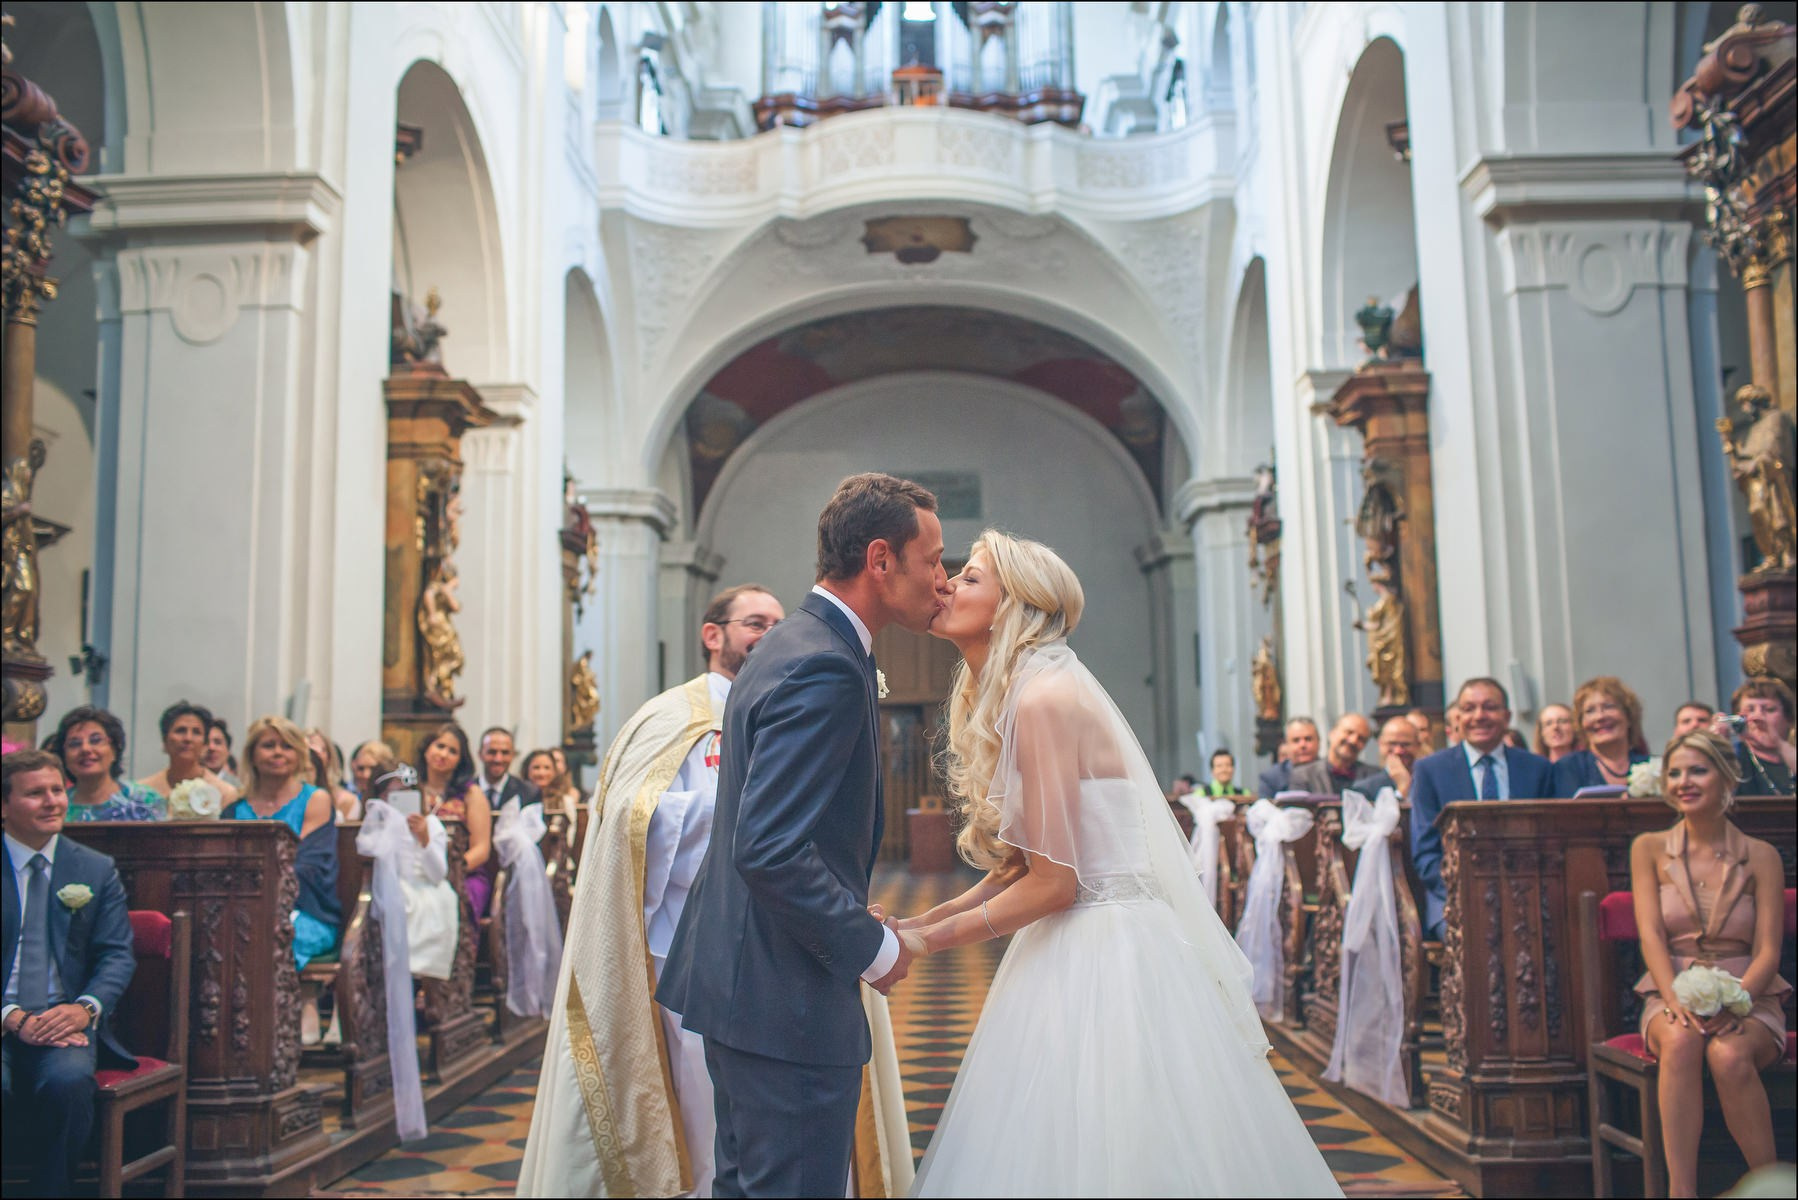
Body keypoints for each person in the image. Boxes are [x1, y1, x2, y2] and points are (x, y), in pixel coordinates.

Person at [893, 531, 1340, 1196]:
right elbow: (1020, 866)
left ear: (1016, 606)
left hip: (1109, 949)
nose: (949, 585)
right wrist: (921, 921)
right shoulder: (1029, 691)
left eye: (971, 578)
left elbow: (1054, 885)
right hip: (1078, 935)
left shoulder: (1044, 700)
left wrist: (925, 943)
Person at [657, 474, 944, 1197]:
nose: (942, 579)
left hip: (746, 985)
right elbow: (769, 847)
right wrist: (871, 947)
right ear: (881, 560)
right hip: (782, 1000)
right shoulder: (825, 663)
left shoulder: (792, 642)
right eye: (933, 559)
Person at [520, 582, 787, 1197]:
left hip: (778, 943)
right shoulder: (669, 719)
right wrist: (746, 813)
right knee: (703, 1108)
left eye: (779, 625)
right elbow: (632, 822)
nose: (770, 635)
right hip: (690, 947)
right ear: (713, 634)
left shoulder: (788, 711)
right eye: (755, 623)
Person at [1629, 730, 1789, 1199]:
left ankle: (1772, 1187)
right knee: (1680, 1040)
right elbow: (1651, 936)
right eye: (1674, 773)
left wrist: (1737, 1002)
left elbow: (1768, 950)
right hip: (1670, 988)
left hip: (1750, 994)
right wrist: (1674, 998)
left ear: (1727, 779)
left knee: (1728, 1054)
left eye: (1698, 771)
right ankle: (1682, 1192)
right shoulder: (1648, 848)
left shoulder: (1762, 856)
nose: (1684, 782)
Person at [2, 750, 138, 1197]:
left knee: (68, 1083)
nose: (52, 801)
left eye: (57, 790)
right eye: (35, 793)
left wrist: (85, 1009)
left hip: (63, 1023)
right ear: (4, 805)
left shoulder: (94, 868)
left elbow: (117, 954)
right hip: (4, 1018)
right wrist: (11, 1017)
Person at [1408, 678, 1555, 940]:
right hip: (1452, 897)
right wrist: (1466, 889)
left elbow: (1550, 841)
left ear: (1507, 716)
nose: (1479, 716)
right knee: (1477, 937)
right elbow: (1425, 853)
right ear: (1457, 718)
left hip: (1527, 894)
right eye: (1469, 709)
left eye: (1490, 707)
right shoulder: (1431, 770)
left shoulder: (1537, 769)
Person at [224, 717, 340, 971]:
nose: (278, 752)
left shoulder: (316, 799)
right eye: (268, 745)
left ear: (298, 755)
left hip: (305, 910)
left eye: (287, 746)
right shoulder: (234, 807)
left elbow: (307, 865)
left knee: (272, 937)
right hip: (242, 909)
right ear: (252, 755)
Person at [362, 755, 457, 980]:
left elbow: (437, 874)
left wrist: (424, 838)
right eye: (393, 795)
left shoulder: (430, 824)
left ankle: (421, 977)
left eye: (407, 794)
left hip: (425, 887)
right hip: (386, 887)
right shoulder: (373, 826)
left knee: (423, 908)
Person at [415, 723, 494, 918]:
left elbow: (481, 849)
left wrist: (450, 871)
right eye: (440, 746)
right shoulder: (410, 790)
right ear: (426, 749)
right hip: (418, 870)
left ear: (460, 760)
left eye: (452, 751)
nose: (443, 754)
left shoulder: (471, 794)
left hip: (464, 874)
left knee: (445, 899)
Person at [43, 706, 166, 822]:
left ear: (114, 750)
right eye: (74, 744)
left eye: (95, 740)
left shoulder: (145, 800)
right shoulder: (55, 807)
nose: (85, 749)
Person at [1553, 676, 1651, 796]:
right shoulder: (1568, 768)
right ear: (1581, 723)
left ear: (1629, 716)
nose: (1600, 717)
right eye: (1590, 711)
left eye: (1609, 706)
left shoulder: (1651, 767)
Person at [138, 699, 240, 807]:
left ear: (205, 744)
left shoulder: (225, 793)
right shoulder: (143, 791)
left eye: (196, 732)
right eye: (180, 730)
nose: (188, 738)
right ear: (165, 741)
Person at [1719, 678, 1796, 796]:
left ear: (1788, 718)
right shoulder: (1735, 756)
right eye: (1750, 710)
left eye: (1769, 710)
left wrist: (1778, 742)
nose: (1758, 716)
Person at [1288, 713, 1377, 796]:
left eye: (1361, 739)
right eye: (1349, 732)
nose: (1353, 740)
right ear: (1332, 733)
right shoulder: (1303, 776)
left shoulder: (1374, 777)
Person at [476, 727, 541, 813]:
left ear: (513, 755)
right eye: (492, 752)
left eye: (505, 753)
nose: (498, 759)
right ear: (480, 754)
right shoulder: (464, 791)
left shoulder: (529, 793)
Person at [1255, 717, 1320, 798]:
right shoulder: (1271, 779)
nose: (1302, 745)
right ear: (1286, 745)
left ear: (1319, 741)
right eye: (1296, 740)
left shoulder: (1331, 772)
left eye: (1308, 739)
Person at [1360, 716, 1421, 799]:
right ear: (1380, 744)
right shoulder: (1365, 789)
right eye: (1392, 744)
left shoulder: (1429, 781)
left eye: (1405, 744)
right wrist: (1402, 790)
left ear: (1418, 745)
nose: (1398, 751)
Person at [307, 730, 360, 821]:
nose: (316, 754)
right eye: (310, 749)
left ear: (329, 757)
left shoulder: (347, 800)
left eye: (323, 749)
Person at [203, 716, 240, 789]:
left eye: (218, 742)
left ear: (228, 751)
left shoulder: (239, 788)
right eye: (206, 742)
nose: (211, 747)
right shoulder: (186, 784)